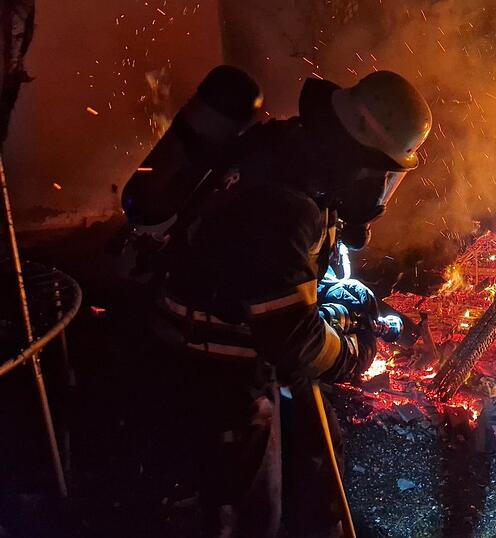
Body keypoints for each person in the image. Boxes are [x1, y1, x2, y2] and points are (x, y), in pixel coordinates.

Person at [146, 70, 432, 537]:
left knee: (308, 458)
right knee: (248, 511)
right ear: (357, 158)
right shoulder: (287, 204)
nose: (380, 189)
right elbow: (294, 343)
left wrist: (332, 297)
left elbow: (277, 274)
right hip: (214, 366)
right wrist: (353, 353)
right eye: (381, 171)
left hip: (232, 340)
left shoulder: (288, 152)